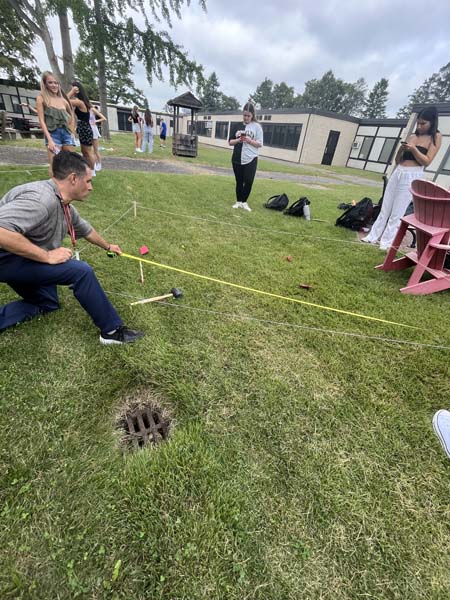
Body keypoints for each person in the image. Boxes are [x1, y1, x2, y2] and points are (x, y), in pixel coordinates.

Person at [0, 151, 144, 345]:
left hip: (18, 256)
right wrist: (47, 256)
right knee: (81, 271)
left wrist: (108, 246)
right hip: (6, 258)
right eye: (89, 181)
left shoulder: (63, 203)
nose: (91, 187)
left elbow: (85, 230)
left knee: (48, 303)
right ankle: (111, 331)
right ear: (74, 179)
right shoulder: (42, 201)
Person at [362, 107, 442, 250]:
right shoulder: (412, 136)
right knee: (385, 207)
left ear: (432, 122)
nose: (419, 126)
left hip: (412, 174)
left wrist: (414, 150)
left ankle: (386, 243)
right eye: (418, 123)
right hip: (399, 171)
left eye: (423, 123)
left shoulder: (435, 137)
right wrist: (402, 149)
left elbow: (427, 161)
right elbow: (398, 159)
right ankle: (372, 237)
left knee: (397, 211)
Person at [35, 71, 75, 176]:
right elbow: (42, 121)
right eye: (50, 82)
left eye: (56, 83)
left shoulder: (64, 101)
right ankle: (53, 189)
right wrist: (50, 140)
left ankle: (66, 189)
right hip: (53, 134)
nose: (54, 85)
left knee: (68, 164)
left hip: (66, 134)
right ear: (45, 84)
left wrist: (72, 132)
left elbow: (71, 117)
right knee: (54, 165)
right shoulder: (41, 98)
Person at [228, 102, 263, 212]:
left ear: (252, 115)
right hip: (237, 158)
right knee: (239, 181)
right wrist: (239, 140)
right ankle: (238, 202)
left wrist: (250, 141)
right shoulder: (237, 126)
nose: (246, 117)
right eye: (244, 115)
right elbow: (230, 142)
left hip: (251, 158)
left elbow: (260, 144)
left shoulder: (257, 127)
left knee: (248, 181)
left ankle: (244, 202)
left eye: (248, 115)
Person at [67, 81, 96, 177]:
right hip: (84, 128)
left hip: (85, 128)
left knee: (87, 151)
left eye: (73, 89)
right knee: (85, 151)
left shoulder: (79, 102)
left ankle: (92, 171)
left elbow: (64, 100)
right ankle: (87, 170)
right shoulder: (84, 102)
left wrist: (71, 92)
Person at [89, 105, 107, 171]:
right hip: (87, 129)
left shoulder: (92, 109)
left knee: (95, 150)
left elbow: (104, 118)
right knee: (89, 150)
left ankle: (99, 164)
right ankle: (92, 165)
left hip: (93, 129)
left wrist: (95, 121)